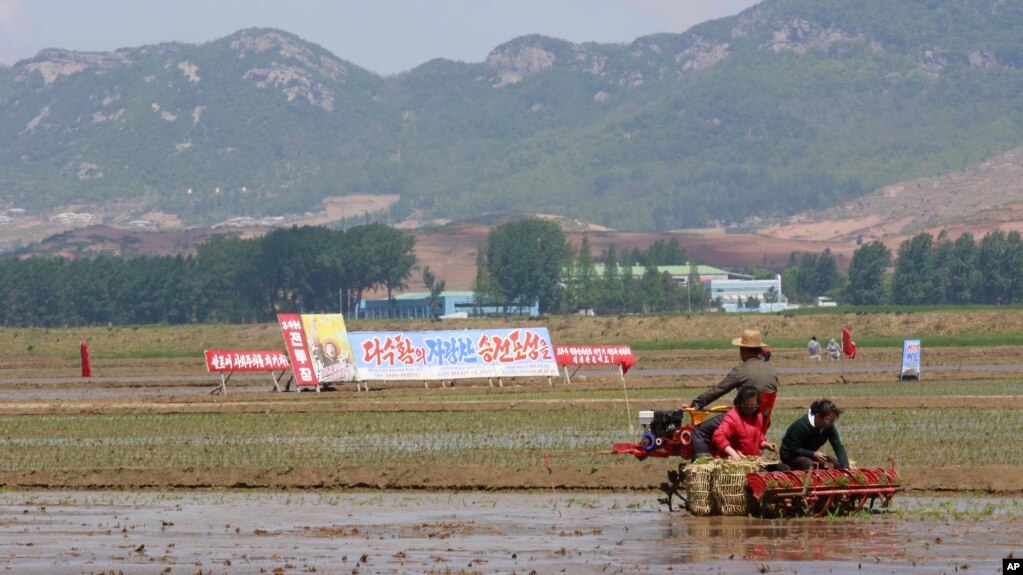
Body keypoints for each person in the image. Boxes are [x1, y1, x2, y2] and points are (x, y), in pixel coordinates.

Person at [688, 329, 780, 457]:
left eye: (741, 349)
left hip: (743, 419)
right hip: (761, 422)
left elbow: (719, 389)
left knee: (698, 432)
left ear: (744, 350)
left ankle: (703, 468)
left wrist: (697, 403)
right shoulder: (772, 370)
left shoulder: (741, 370)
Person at [711, 386, 780, 461]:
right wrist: (732, 453)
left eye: (753, 406)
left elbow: (758, 436)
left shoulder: (758, 415)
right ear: (740, 403)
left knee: (782, 468)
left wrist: (766, 444)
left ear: (758, 404)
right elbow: (718, 436)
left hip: (752, 460)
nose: (750, 409)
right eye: (747, 406)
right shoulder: (733, 416)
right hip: (733, 461)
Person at [780, 399, 850, 470]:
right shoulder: (800, 426)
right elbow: (794, 449)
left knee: (836, 464)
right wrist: (813, 454)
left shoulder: (829, 427)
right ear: (818, 415)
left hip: (809, 454)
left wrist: (845, 467)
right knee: (809, 465)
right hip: (789, 455)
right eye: (828, 420)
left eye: (833, 420)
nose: (831, 423)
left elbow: (838, 446)